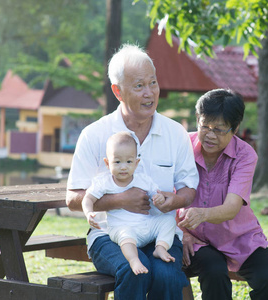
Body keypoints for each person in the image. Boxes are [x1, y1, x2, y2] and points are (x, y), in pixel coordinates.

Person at [66, 44, 199, 300]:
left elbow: (189, 189)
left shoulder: (175, 133)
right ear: (118, 91)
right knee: (134, 270)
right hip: (110, 236)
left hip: (159, 232)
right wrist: (119, 200)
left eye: (153, 83)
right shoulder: (94, 135)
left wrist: (176, 200)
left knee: (169, 275)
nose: (150, 93)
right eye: (139, 86)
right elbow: (72, 198)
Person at [178, 89, 268, 300]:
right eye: (205, 126)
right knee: (214, 270)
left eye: (219, 129)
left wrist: (202, 214)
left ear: (235, 129)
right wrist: (182, 233)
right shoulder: (182, 146)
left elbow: (231, 208)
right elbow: (165, 194)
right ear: (197, 119)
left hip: (238, 236)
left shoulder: (245, 155)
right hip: (195, 238)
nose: (210, 135)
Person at [82, 131, 176, 275]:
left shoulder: (143, 180)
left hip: (146, 226)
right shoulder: (104, 182)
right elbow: (88, 199)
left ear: (136, 163)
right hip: (121, 228)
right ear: (107, 163)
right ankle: (133, 260)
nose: (124, 167)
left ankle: (161, 247)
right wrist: (88, 213)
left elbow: (156, 194)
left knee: (168, 220)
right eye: (117, 162)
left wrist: (159, 199)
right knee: (125, 235)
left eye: (129, 161)